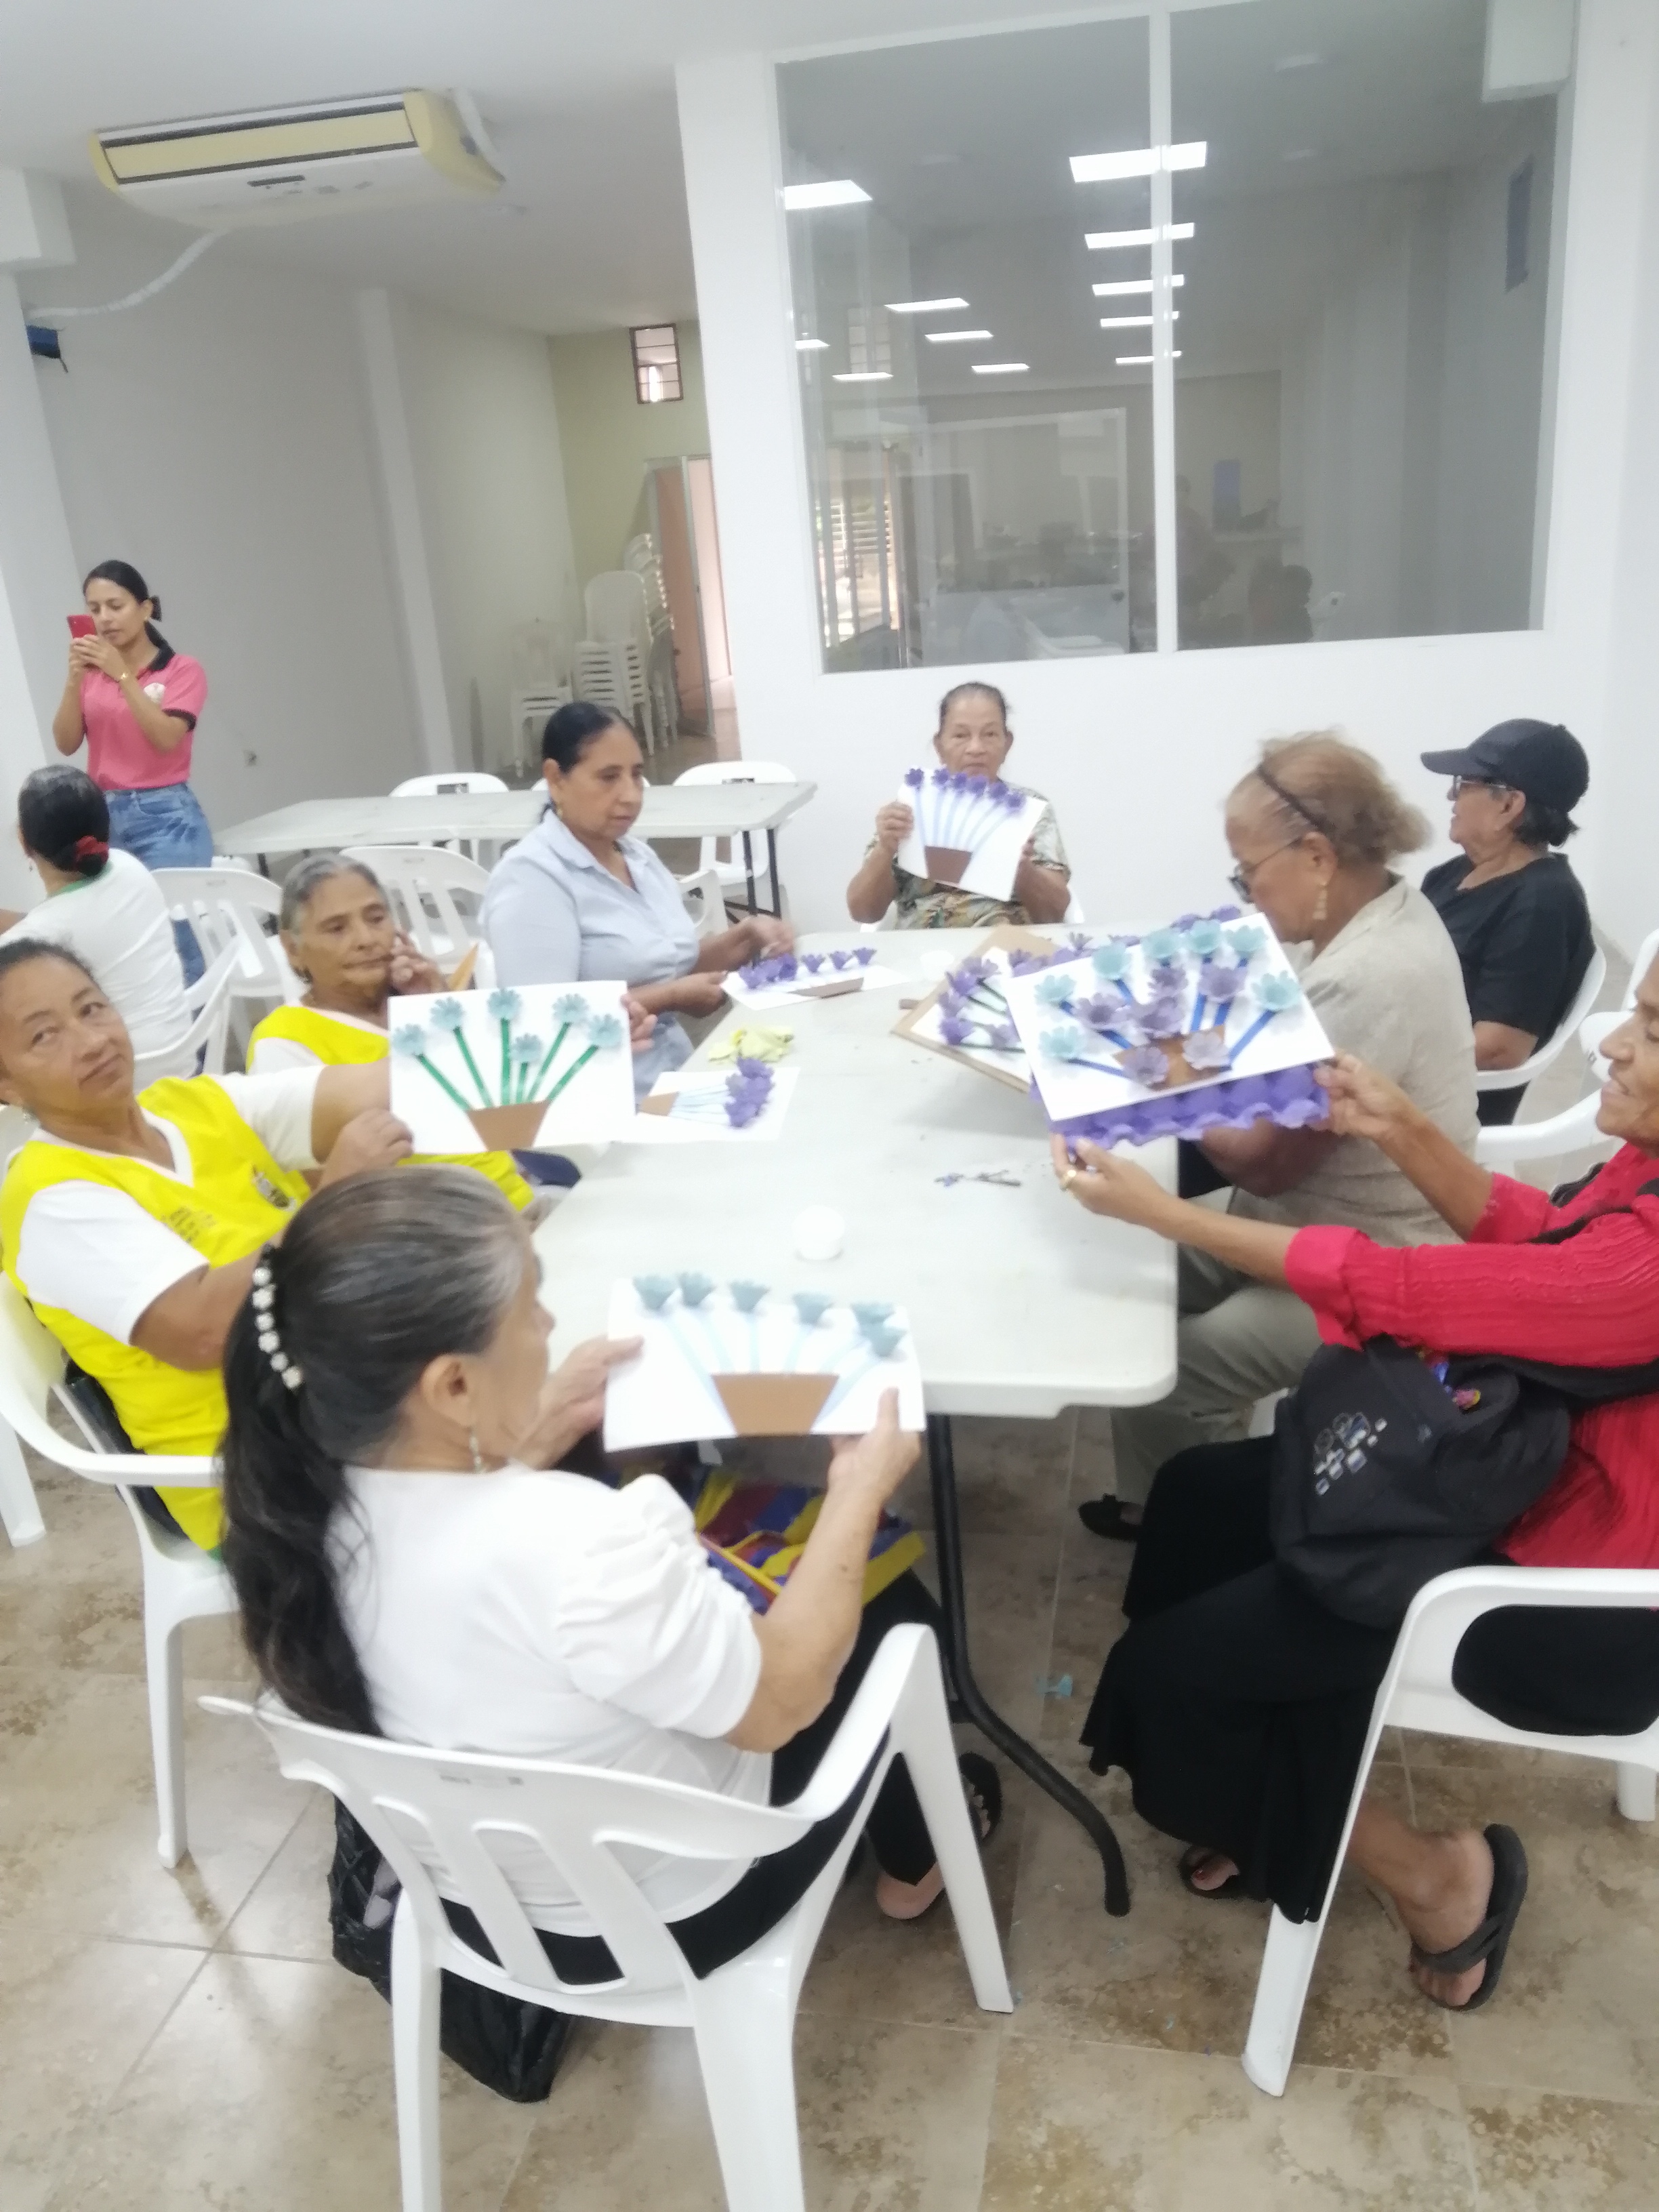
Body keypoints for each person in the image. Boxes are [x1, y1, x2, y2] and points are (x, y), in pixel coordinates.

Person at [1050, 968, 1659, 2011]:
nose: (1612, 1044)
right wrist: (1401, 1126)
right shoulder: (1642, 1164)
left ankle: (1440, 1880)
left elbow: (1409, 1288)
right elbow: (1541, 1243)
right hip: (1518, 1468)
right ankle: (1260, 1785)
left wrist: (1166, 1218)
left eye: (1650, 1029)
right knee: (1198, 1497)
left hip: (1559, 1596)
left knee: (1172, 1675)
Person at [218, 1166, 1003, 1963]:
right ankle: (920, 1856)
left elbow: (458, 1540)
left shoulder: (296, 1515)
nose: (550, 1324)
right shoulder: (578, 1543)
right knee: (881, 1596)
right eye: (530, 1308)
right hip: (673, 1911)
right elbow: (781, 1702)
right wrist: (857, 1489)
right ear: (453, 1385)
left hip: (474, 1901)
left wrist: (532, 1433)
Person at [1078, 733, 1478, 1541]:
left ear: (1319, 856)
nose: (1247, 894)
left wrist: (1166, 1071)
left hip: (1376, 1258)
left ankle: (1179, 1527)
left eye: (1248, 872)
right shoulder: (1376, 907)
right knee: (1126, 1268)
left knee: (1175, 1367)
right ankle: (1173, 1483)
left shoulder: (1368, 974)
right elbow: (1265, 1006)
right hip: (1306, 1219)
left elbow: (1263, 1165)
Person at [0, 941, 410, 1550]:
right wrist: (332, 1197)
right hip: (265, 1478)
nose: (90, 1042)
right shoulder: (50, 1198)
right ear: (6, 1084)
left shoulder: (192, 1107)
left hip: (353, 1400)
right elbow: (206, 1333)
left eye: (91, 1009)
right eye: (43, 1036)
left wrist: (443, 1024)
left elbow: (379, 1087)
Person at [483, 703, 794, 1100]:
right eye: (608, 777)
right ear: (556, 779)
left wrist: (744, 938)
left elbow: (666, 964)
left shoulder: (635, 856)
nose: (630, 795)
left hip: (671, 1070)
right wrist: (670, 998)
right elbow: (540, 1024)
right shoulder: (532, 879)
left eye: (636, 775)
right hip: (599, 1098)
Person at [247, 855, 534, 1210]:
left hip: (520, 1201)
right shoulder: (284, 1043)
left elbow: (509, 1117)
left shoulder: (416, 1004)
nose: (366, 939)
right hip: (434, 1229)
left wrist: (441, 1011)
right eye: (337, 929)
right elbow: (326, 1202)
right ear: (293, 949)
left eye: (376, 918)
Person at [1419, 720, 1595, 1127]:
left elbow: (1499, 1049)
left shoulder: (1542, 904)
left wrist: (1374, 1051)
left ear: (1509, 806)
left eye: (1464, 783)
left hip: (1441, 1103)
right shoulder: (1452, 874)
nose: (1451, 796)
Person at [51, 560, 213, 982]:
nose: (105, 618)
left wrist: (123, 675)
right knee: (123, 942)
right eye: (95, 609)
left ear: (145, 609)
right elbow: (66, 742)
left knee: (180, 940)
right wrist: (74, 680)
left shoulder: (182, 670)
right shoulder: (92, 676)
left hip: (166, 816)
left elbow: (166, 738)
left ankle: (197, 1027)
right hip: (103, 817)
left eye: (116, 606)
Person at [0, 765, 191, 1071]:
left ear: (24, 842)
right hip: (183, 1061)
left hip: (119, 1082)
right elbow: (64, 922)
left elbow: (48, 930)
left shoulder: (35, 945)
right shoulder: (129, 868)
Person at [846, 682, 1072, 930]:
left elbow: (1054, 915)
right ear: (939, 746)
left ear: (1007, 744)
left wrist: (1023, 871)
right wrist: (885, 849)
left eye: (990, 735)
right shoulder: (911, 808)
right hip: (920, 946)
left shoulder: (1028, 811)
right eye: (961, 736)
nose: (976, 748)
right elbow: (863, 912)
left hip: (1004, 941)